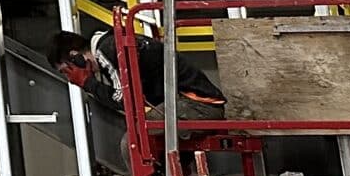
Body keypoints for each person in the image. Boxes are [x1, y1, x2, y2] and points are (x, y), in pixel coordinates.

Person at [49, 26, 226, 117]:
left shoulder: (107, 50)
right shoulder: (111, 44)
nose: (70, 78)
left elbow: (125, 101)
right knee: (139, 136)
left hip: (198, 104)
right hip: (187, 104)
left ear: (75, 57)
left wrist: (88, 83)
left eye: (67, 71)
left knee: (133, 143)